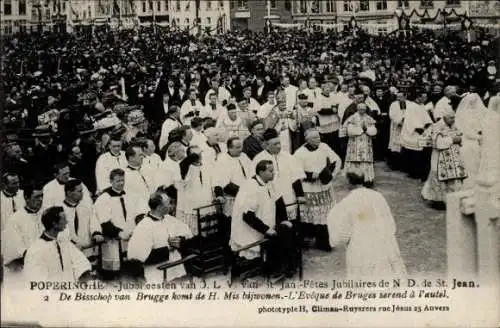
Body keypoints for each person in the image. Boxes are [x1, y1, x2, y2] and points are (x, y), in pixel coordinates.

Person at [327, 171, 407, 279]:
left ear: (348, 182)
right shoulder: (378, 196)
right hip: (383, 243)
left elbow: (340, 236)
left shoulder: (346, 203)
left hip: (360, 246)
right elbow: (390, 223)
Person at [230, 160, 299, 278]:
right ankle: (278, 267)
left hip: (264, 226)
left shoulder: (268, 182)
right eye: (270, 171)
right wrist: (265, 229)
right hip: (249, 231)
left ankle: (285, 266)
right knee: (281, 235)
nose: (274, 173)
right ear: (261, 172)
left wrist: (284, 219)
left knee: (288, 228)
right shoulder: (250, 187)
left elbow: (279, 201)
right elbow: (247, 216)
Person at [94, 169, 147, 280]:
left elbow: (139, 212)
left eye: (123, 180)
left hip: (131, 237)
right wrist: (119, 233)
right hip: (114, 239)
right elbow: (104, 221)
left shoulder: (130, 195)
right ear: (111, 181)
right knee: (116, 273)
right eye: (118, 181)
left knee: (131, 269)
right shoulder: (104, 198)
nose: (121, 183)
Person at [127, 192, 193, 282]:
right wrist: (168, 248)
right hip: (158, 274)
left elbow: (188, 234)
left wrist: (180, 241)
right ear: (159, 207)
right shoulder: (144, 226)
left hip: (178, 269)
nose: (171, 206)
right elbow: (139, 258)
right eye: (168, 203)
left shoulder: (169, 219)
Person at [293, 128, 341, 251]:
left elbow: (336, 160)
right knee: (312, 214)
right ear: (307, 140)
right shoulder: (299, 153)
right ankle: (309, 239)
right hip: (310, 187)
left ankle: (324, 241)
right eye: (314, 138)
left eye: (319, 136)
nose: (318, 139)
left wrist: (329, 174)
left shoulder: (324, 147)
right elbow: (296, 172)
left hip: (324, 186)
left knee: (325, 214)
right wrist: (309, 175)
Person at [23, 206, 92, 282]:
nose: (67, 222)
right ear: (54, 224)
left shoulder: (64, 243)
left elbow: (81, 262)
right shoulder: (36, 249)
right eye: (64, 219)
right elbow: (37, 280)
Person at [252, 128, 306, 220]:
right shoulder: (258, 159)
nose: (279, 146)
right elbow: (255, 180)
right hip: (269, 198)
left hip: (288, 196)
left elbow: (296, 177)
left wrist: (300, 195)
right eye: (275, 144)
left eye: (279, 143)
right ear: (267, 146)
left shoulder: (288, 156)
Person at [421, 108, 467, 209]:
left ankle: (451, 200)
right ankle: (438, 201)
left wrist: (459, 139)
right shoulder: (437, 126)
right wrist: (453, 139)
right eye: (451, 118)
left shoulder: (453, 125)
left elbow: (460, 135)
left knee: (453, 179)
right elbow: (438, 144)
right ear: (444, 117)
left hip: (453, 156)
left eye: (454, 117)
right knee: (438, 178)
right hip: (439, 157)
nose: (453, 119)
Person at [176, 145, 222, 234]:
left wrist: (219, 194)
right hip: (192, 207)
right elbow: (181, 182)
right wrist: (188, 162)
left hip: (207, 205)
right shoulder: (185, 168)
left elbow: (216, 181)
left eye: (200, 153)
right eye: (195, 154)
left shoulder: (208, 166)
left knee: (208, 233)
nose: (199, 156)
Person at [2, 182, 45, 270]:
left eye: (42, 196)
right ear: (26, 198)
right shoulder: (15, 219)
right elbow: (16, 250)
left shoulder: (46, 214)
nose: (40, 199)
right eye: (37, 197)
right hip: (26, 265)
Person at [61, 179, 103, 264]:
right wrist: (73, 243)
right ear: (69, 193)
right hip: (71, 250)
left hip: (89, 249)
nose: (82, 193)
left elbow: (93, 221)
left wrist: (96, 233)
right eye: (79, 191)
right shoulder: (61, 210)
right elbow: (61, 232)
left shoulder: (86, 206)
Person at [215, 137, 253, 217]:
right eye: (238, 147)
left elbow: (252, 173)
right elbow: (224, 184)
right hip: (234, 197)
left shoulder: (244, 156)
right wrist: (243, 193)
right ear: (229, 148)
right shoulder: (223, 159)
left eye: (241, 147)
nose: (241, 149)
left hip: (248, 195)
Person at [455, 93, 486, 188]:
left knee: (477, 165)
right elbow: (467, 132)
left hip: (477, 142)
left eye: (475, 102)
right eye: (472, 102)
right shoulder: (465, 114)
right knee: (469, 166)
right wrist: (479, 137)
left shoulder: (479, 113)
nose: (474, 104)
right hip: (469, 142)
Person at [343, 103, 378, 186]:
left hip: (366, 143)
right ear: (357, 109)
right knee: (355, 161)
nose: (362, 111)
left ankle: (367, 179)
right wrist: (361, 129)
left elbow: (374, 131)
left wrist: (367, 130)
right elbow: (350, 131)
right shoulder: (352, 118)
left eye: (363, 109)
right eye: (360, 109)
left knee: (366, 162)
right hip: (355, 143)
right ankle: (354, 179)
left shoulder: (369, 118)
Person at [400, 94, 433, 180]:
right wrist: (421, 131)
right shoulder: (411, 106)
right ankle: (414, 173)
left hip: (423, 131)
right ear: (418, 97)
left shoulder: (421, 105)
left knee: (421, 153)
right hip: (415, 132)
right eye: (424, 97)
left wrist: (428, 126)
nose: (425, 99)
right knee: (414, 153)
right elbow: (411, 121)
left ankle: (421, 172)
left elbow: (426, 118)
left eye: (426, 97)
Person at [388, 92, 408, 171]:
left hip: (406, 126)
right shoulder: (393, 104)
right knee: (395, 145)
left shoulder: (408, 104)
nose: (399, 98)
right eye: (398, 97)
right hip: (396, 126)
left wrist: (406, 120)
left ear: (405, 96)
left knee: (404, 145)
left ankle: (403, 165)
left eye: (401, 96)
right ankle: (394, 165)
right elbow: (391, 115)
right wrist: (399, 121)